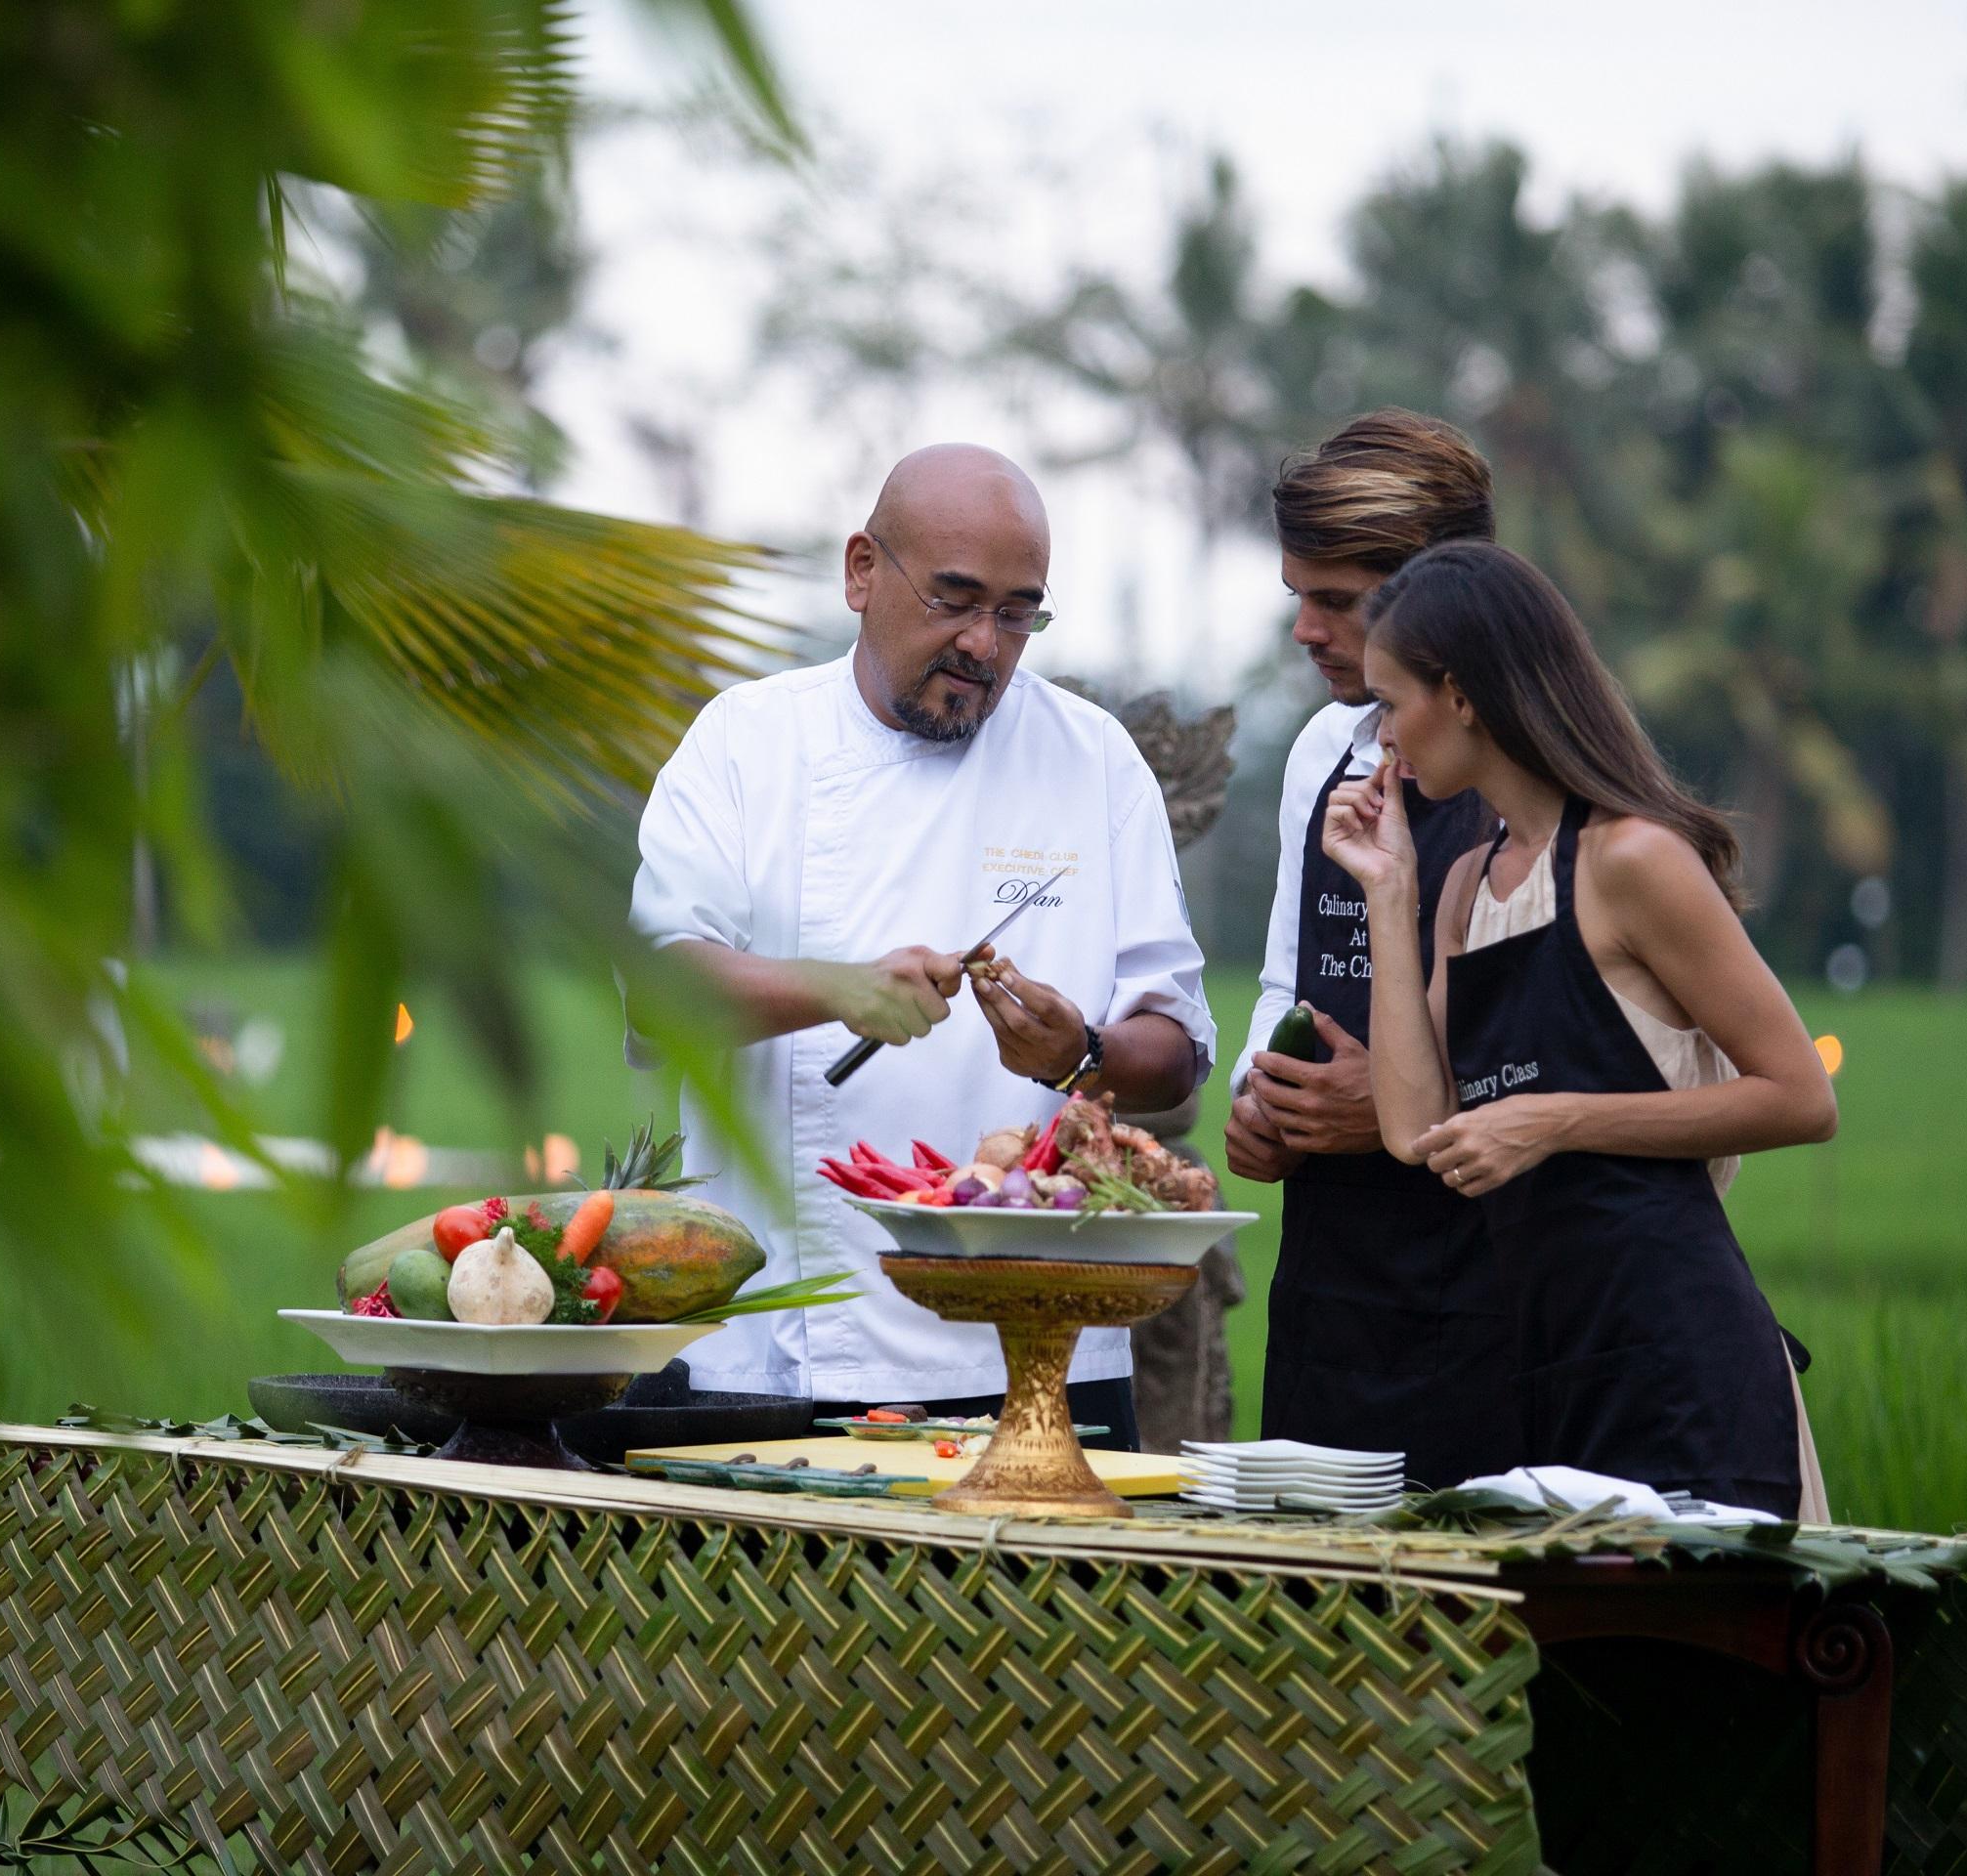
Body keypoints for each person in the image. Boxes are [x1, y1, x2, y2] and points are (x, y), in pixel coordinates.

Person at [626, 444, 1216, 1446]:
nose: (985, 644)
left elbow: (1179, 1054)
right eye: (955, 599)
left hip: (1045, 1344)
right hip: (774, 1346)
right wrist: (842, 989)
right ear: (862, 570)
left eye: (1019, 612)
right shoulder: (747, 743)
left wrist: (1083, 1052)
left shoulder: (1095, 760)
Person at [1321, 539, 1836, 1517]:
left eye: (1391, 702)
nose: (1383, 738)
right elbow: (1411, 1130)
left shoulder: (1633, 859)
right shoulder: (1466, 886)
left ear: (1461, 694)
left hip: (1684, 1361)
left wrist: (1553, 1120)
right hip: (1549, 1362)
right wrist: (1389, 892)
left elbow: (1802, 1097)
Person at [1223, 410, 1514, 1489]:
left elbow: (1597, 1063)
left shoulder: (1546, 785)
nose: (1305, 629)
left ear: (1441, 598)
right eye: (1298, 594)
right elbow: (1289, 975)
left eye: (1336, 601)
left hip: (1498, 1289)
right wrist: (1269, 1097)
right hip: (1335, 1278)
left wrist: (1397, 1108)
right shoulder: (1322, 751)